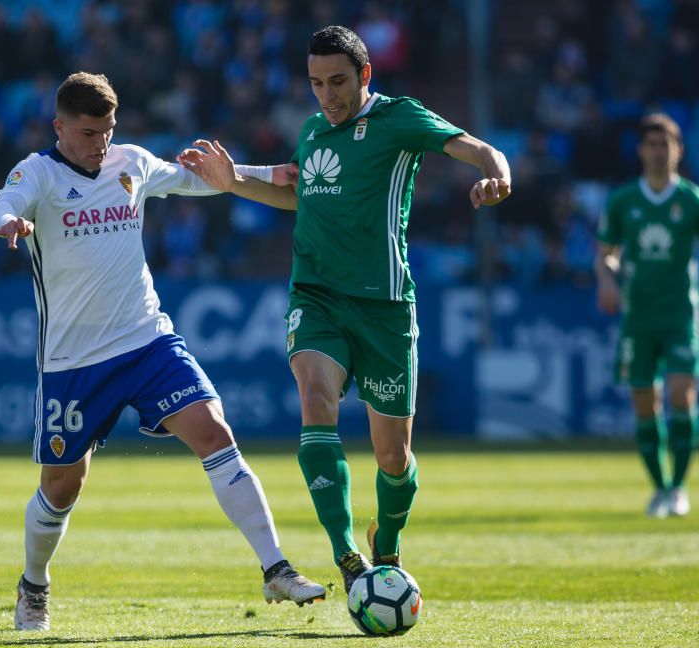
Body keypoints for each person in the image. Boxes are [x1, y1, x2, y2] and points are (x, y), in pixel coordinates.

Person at [0, 72, 325, 631]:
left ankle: (276, 568)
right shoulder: (38, 173)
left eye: (109, 131)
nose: (101, 143)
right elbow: (1, 205)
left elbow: (200, 180)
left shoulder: (132, 164)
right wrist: (9, 224)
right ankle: (34, 585)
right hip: (73, 361)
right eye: (90, 132)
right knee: (62, 486)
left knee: (215, 431)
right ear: (60, 127)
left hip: (146, 340)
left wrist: (269, 174)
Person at [179, 26, 511, 592]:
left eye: (337, 82)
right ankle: (347, 554)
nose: (326, 95)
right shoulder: (312, 130)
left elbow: (477, 148)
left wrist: (496, 173)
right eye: (315, 83)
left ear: (364, 76)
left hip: (384, 306)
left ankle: (388, 544)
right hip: (316, 295)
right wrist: (231, 182)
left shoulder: (399, 119)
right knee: (314, 397)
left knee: (394, 458)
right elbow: (297, 193)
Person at [595, 113, 699, 518]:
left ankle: (678, 487)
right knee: (645, 402)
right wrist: (607, 280)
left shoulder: (693, 201)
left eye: (667, 145)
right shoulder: (623, 200)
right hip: (638, 315)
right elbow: (605, 252)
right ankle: (660, 489)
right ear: (641, 150)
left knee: (681, 394)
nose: (659, 152)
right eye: (652, 145)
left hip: (680, 313)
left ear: (678, 150)